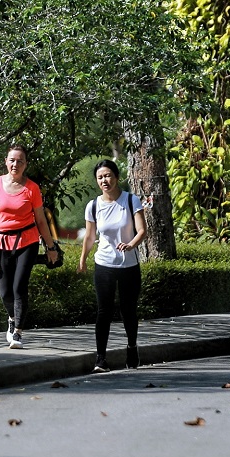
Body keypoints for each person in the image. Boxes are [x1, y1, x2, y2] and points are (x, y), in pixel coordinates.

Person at [0, 145, 59, 349]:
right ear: (6, 161)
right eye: (12, 160)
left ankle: (17, 333)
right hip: (2, 242)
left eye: (20, 161)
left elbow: (41, 221)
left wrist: (51, 247)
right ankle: (12, 318)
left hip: (28, 241)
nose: (15, 164)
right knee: (5, 291)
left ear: (26, 164)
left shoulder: (31, 188)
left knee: (19, 287)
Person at [77, 159, 147, 372]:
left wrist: (130, 244)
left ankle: (132, 349)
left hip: (129, 265)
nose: (104, 180)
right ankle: (100, 359)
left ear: (116, 177)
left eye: (108, 176)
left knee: (128, 310)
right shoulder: (94, 205)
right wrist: (83, 259)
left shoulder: (131, 200)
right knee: (103, 311)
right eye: (100, 177)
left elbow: (142, 230)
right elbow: (89, 236)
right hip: (104, 263)